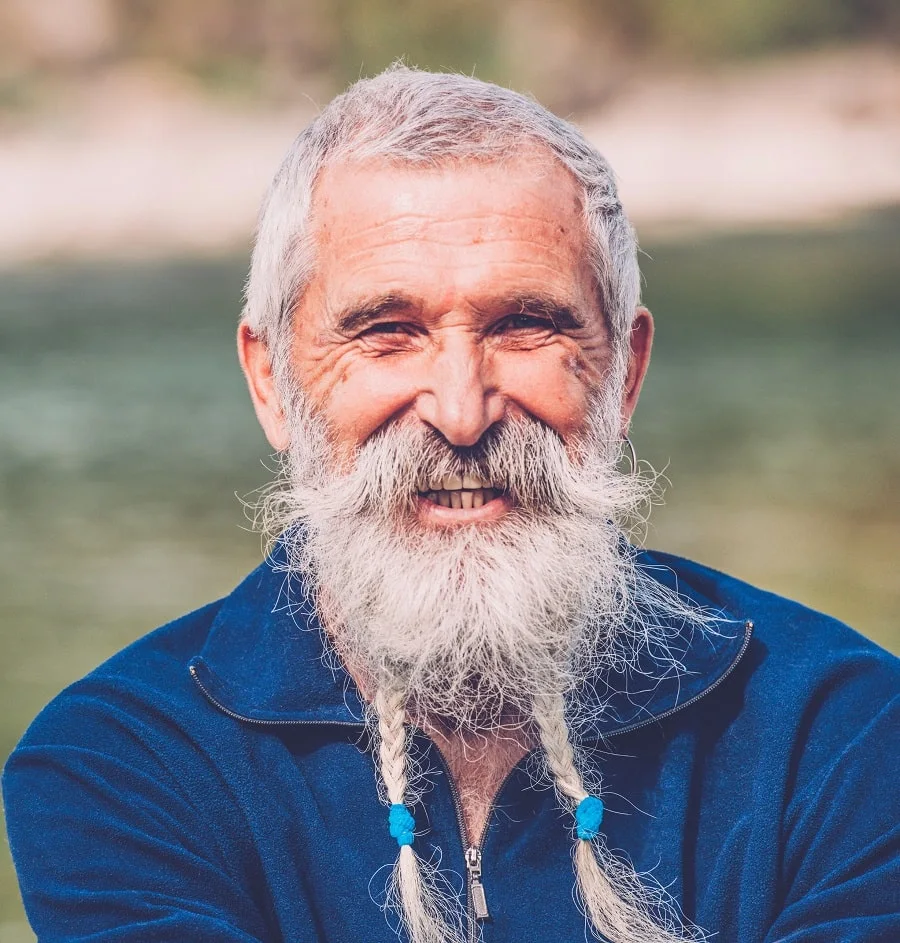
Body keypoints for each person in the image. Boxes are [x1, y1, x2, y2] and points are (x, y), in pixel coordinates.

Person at [4, 64, 899, 943]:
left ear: (623, 374)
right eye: (387, 333)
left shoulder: (843, 731)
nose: (462, 412)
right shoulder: (118, 764)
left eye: (525, 325)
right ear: (272, 383)